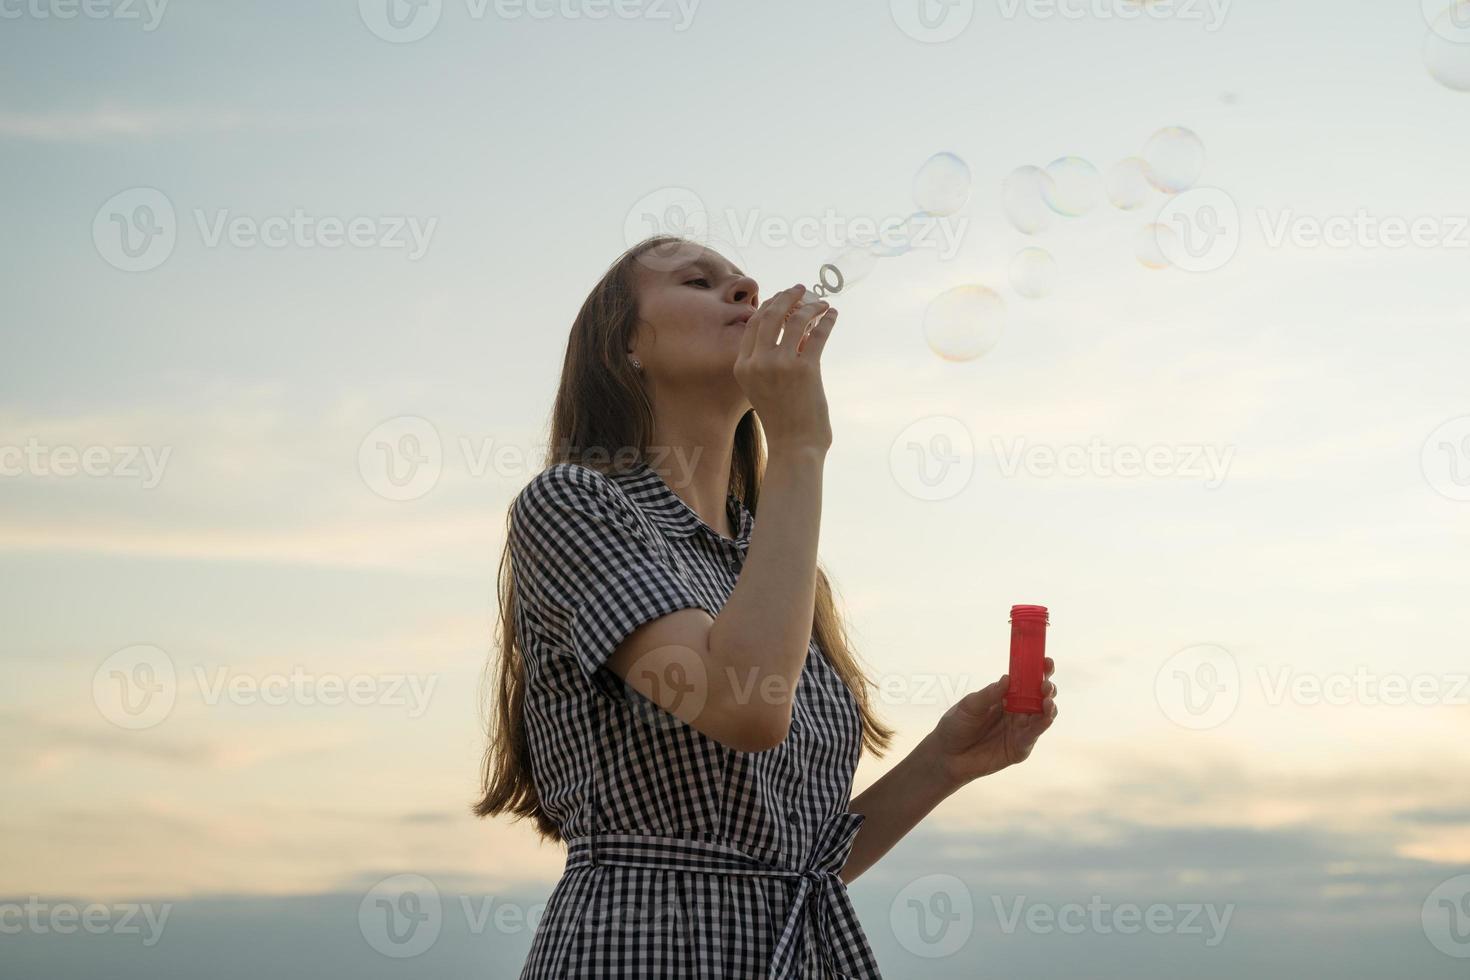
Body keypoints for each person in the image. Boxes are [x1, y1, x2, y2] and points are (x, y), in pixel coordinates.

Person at [474, 235, 1060, 978]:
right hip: (639, 952)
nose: (744, 286)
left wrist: (945, 761)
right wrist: (803, 446)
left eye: (741, 279)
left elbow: (795, 864)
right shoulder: (572, 505)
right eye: (698, 280)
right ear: (624, 346)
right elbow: (745, 705)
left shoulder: (769, 558)